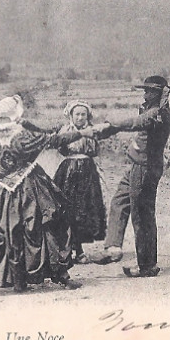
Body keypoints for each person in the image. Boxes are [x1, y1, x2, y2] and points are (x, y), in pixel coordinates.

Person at [0, 93, 87, 292]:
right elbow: (54, 140)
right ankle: (60, 274)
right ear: (15, 114)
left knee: (10, 230)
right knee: (51, 222)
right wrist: (85, 132)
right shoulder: (22, 136)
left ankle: (18, 281)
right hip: (29, 185)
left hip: (1, 190)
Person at [93, 75, 170, 278]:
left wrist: (111, 124)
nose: (145, 94)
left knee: (142, 215)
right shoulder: (152, 110)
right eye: (145, 91)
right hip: (137, 166)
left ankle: (147, 265)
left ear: (159, 94)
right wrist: (107, 130)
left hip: (145, 168)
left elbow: (136, 123)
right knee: (119, 201)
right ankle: (113, 247)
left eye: (149, 91)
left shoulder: (159, 114)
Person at [53, 99, 107, 264]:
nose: (80, 117)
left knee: (85, 210)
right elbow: (60, 148)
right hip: (69, 172)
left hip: (87, 172)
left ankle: (80, 250)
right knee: (69, 209)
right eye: (77, 114)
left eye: (83, 114)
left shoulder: (92, 132)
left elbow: (95, 151)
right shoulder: (65, 130)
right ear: (71, 115)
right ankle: (69, 249)